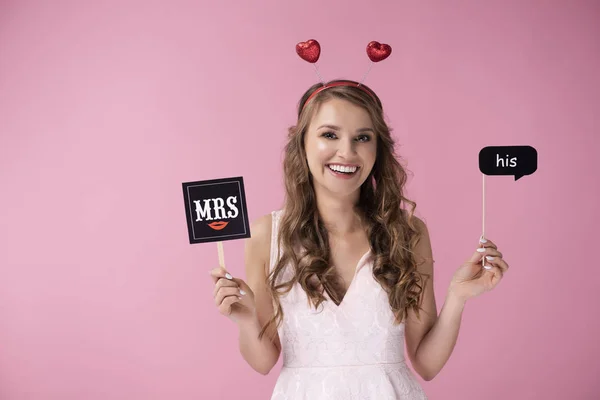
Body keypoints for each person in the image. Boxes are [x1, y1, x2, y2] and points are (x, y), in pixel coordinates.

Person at [209, 79, 509, 399]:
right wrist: (243, 319)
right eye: (329, 134)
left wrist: (458, 297)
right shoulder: (266, 235)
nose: (347, 152)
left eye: (362, 137)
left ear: (377, 148)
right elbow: (264, 360)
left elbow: (426, 363)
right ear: (302, 143)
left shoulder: (408, 232)